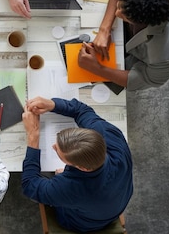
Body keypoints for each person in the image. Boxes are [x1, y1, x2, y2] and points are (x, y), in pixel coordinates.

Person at [21, 96, 133, 232]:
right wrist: (52, 104)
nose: (54, 147)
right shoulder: (112, 138)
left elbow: (30, 186)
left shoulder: (69, 188)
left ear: (82, 168)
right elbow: (81, 110)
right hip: (114, 202)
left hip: (81, 223)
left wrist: (33, 136)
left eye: (59, 152)